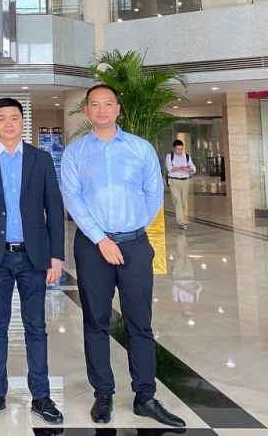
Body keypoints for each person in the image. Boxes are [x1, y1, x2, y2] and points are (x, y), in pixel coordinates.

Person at [60, 84, 185, 429]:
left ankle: (145, 396)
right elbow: (72, 197)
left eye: (108, 104)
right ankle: (103, 393)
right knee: (96, 321)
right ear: (87, 111)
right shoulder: (75, 152)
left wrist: (130, 231)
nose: (101, 110)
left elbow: (154, 193)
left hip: (134, 245)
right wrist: (102, 238)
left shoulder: (140, 148)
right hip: (92, 246)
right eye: (94, 105)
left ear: (118, 109)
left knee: (140, 322)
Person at [0, 97, 64, 426]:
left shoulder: (40, 159)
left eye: (14, 118)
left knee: (36, 327)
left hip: (34, 257)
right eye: (2, 118)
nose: (8, 123)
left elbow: (54, 208)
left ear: (22, 122)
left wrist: (56, 256)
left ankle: (41, 395)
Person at [165, 139, 196, 229]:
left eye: (181, 149)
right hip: (174, 181)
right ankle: (181, 222)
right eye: (178, 149)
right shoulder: (169, 156)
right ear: (173, 148)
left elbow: (193, 168)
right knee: (177, 201)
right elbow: (170, 168)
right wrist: (181, 168)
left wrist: (189, 169)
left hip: (185, 181)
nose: (180, 151)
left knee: (183, 202)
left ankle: (181, 219)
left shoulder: (186, 156)